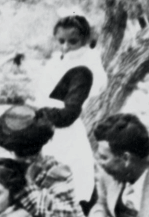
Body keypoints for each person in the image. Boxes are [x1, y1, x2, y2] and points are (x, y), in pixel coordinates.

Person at [32, 15, 109, 206]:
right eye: (61, 41)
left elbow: (69, 114)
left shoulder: (83, 68)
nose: (66, 47)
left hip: (65, 132)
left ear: (84, 40)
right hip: (47, 129)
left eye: (72, 42)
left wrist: (38, 114)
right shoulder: (58, 61)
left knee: (71, 178)